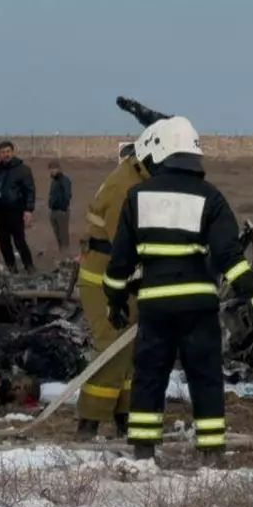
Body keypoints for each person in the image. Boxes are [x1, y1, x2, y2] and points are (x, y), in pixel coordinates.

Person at [103, 115, 253, 463]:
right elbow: (229, 256)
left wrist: (114, 300)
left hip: (155, 308)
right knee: (205, 378)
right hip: (198, 307)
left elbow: (118, 263)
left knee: (149, 377)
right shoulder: (211, 197)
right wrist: (252, 292)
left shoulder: (137, 196)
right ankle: (211, 453)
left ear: (159, 151)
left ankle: (144, 452)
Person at [74, 140, 153, 441]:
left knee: (130, 351)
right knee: (111, 349)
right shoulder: (126, 188)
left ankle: (125, 417)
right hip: (104, 281)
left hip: (124, 279)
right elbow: (126, 241)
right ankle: (89, 422)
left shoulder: (137, 180)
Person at [0, 141, 36, 274]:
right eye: (2, 152)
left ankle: (29, 266)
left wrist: (29, 209)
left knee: (19, 241)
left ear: (12, 152)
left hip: (15, 210)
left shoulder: (22, 169)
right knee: (3, 242)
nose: (5, 155)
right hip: (0, 211)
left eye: (8, 152)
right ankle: (12, 268)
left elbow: (29, 190)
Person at [47, 160, 73, 256]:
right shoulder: (54, 181)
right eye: (51, 169)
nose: (52, 171)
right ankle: (62, 255)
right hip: (53, 211)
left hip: (61, 211)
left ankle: (66, 256)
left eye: (54, 169)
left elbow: (67, 195)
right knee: (58, 236)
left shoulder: (64, 180)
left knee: (63, 236)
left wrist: (62, 207)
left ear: (59, 169)